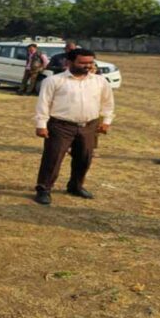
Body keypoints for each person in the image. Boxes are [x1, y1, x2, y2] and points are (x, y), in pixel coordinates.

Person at [33, 48, 115, 205]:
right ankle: (44, 189)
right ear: (69, 62)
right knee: (53, 158)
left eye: (90, 62)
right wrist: (41, 125)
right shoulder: (54, 81)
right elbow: (43, 104)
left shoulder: (100, 81)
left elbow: (107, 102)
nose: (87, 66)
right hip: (60, 126)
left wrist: (106, 121)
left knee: (84, 158)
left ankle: (75, 186)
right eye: (82, 62)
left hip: (89, 126)